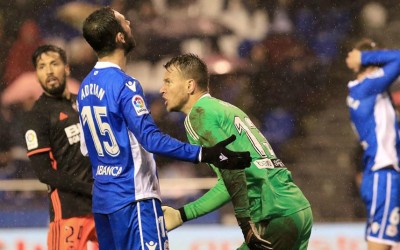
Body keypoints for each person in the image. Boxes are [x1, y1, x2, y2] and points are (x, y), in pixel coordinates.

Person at [78, 7, 252, 250]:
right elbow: (150, 139)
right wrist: (205, 153)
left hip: (104, 204)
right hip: (133, 199)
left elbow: (87, 150)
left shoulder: (84, 88)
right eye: (123, 21)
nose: (129, 21)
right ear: (119, 37)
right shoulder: (125, 85)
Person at [160, 53, 313, 250]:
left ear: (190, 86)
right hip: (296, 207)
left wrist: (183, 214)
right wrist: (182, 214)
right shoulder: (227, 109)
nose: (162, 89)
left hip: (274, 214)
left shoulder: (197, 116)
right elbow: (232, 178)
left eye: (168, 82)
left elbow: (232, 174)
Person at [23, 45, 98, 250]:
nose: (48, 71)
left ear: (66, 68)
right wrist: (89, 189)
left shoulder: (83, 103)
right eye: (41, 67)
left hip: (102, 207)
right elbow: (44, 172)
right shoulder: (37, 116)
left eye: (54, 64)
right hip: (69, 211)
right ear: (37, 74)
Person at [345, 38, 400, 250]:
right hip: (382, 175)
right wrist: (364, 57)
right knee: (381, 243)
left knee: (388, 241)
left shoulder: (371, 94)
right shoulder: (366, 88)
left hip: (381, 173)